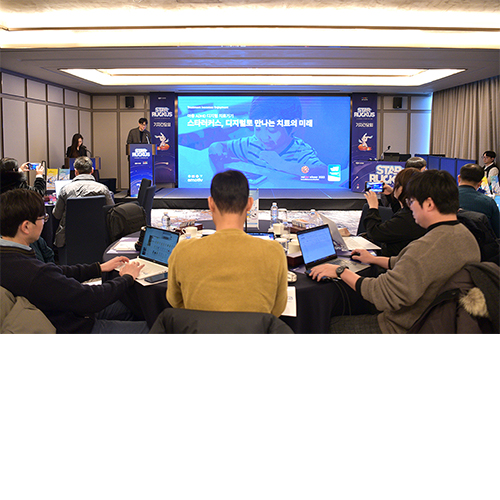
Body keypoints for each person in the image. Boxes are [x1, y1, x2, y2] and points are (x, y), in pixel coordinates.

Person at [309, 170, 481, 334]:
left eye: (411, 201)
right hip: (441, 321)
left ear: (429, 204)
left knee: (323, 325)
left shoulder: (426, 248)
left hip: (404, 326)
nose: (410, 207)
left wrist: (341, 271)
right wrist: (374, 259)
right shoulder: (465, 236)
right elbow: (415, 264)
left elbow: (383, 294)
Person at [0, 189, 148, 333]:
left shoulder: (10, 257)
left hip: (61, 314)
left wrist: (99, 268)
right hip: (72, 326)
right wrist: (127, 278)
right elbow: (91, 298)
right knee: (151, 327)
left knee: (132, 308)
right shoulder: (34, 273)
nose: (44, 222)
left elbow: (55, 273)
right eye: (42, 218)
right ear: (26, 226)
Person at [167, 170, 288, 316]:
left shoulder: (183, 251)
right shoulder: (274, 252)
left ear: (211, 204)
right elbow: (277, 309)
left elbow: (175, 301)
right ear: (250, 204)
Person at [208, 96, 327, 179]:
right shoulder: (252, 144)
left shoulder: (300, 151)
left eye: (272, 129)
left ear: (294, 126)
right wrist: (220, 159)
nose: (264, 137)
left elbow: (327, 173)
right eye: (258, 128)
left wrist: (282, 165)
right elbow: (216, 146)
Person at [363, 167, 426, 256]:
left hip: (392, 258)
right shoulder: (415, 211)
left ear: (403, 188)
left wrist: (373, 207)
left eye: (397, 184)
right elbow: (399, 211)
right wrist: (391, 194)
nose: (394, 187)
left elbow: (374, 233)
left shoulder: (406, 219)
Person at [53, 156, 114, 248]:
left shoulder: (65, 189)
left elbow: (57, 215)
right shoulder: (103, 189)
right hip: (99, 238)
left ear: (76, 171)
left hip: (69, 240)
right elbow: (112, 212)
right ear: (92, 170)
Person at [458, 163, 500, 237]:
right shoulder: (489, 203)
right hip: (479, 243)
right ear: (480, 183)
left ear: (459, 178)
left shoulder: (444, 198)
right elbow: (497, 232)